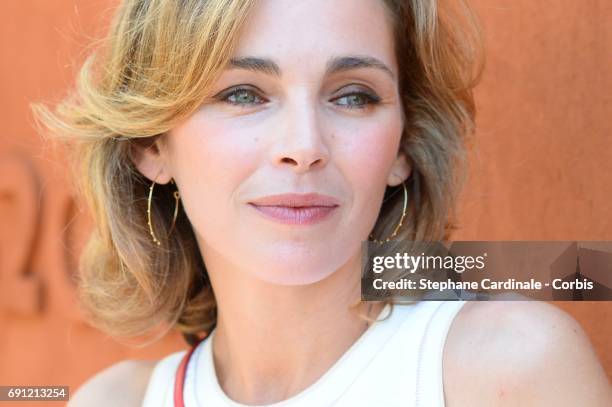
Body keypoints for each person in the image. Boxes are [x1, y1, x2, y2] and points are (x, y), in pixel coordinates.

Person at [32, 0, 611, 406]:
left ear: (403, 146)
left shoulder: (509, 368)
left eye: (354, 96)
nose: (304, 148)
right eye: (243, 94)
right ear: (151, 144)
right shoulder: (119, 401)